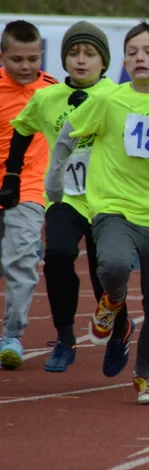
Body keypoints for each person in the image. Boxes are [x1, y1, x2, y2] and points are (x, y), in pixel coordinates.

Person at [45, 22, 149, 404]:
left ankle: (146, 374)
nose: (139, 58)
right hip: (114, 208)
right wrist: (55, 177)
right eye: (132, 51)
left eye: (148, 51)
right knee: (113, 264)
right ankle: (112, 300)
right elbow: (69, 132)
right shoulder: (110, 99)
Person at [4, 22, 115, 372]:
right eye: (73, 53)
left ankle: (114, 327)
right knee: (57, 256)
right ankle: (65, 339)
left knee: (106, 269)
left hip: (100, 198)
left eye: (89, 54)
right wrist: (12, 172)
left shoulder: (115, 96)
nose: (80, 60)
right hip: (60, 195)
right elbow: (22, 129)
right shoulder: (47, 97)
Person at [0, 20, 58, 370]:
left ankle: (12, 335)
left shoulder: (52, 90)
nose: (26, 67)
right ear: (2, 56)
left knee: (21, 261)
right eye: (17, 59)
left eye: (33, 59)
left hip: (30, 189)